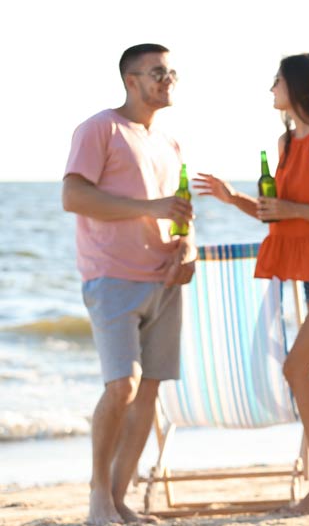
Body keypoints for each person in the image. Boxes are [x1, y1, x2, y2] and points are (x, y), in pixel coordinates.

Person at [192, 53, 309, 514]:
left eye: (278, 81)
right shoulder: (286, 143)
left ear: (299, 87)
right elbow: (280, 213)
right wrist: (235, 200)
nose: (271, 89)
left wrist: (290, 211)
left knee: (296, 369)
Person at [62, 43, 195, 525]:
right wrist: (151, 208)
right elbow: (73, 195)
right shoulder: (100, 128)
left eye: (171, 72)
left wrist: (188, 248)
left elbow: (180, 211)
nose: (167, 79)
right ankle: (98, 496)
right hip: (112, 276)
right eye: (158, 72)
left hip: (165, 279)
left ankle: (119, 500)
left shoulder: (170, 143)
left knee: (149, 392)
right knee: (123, 385)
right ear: (130, 81)